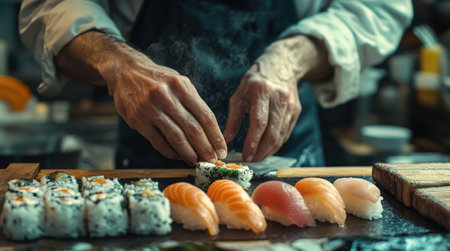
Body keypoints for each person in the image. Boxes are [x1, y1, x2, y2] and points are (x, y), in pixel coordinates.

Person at [19, 0, 413, 168]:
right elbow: (47, 6)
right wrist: (119, 64)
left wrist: (292, 57)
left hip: (290, 156)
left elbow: (380, 8)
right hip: (149, 160)